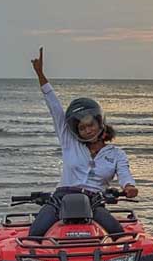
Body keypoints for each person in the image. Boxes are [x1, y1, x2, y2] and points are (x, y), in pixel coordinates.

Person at [27, 47, 137, 238]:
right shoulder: (70, 142)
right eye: (82, 128)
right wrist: (41, 76)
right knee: (34, 236)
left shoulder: (116, 154)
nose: (87, 130)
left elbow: (125, 174)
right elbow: (55, 109)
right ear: (76, 131)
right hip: (62, 198)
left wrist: (129, 187)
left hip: (94, 202)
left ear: (99, 122)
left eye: (90, 125)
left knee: (119, 236)